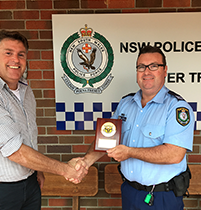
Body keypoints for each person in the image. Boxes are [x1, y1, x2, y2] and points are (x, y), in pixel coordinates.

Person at [0, 30, 87, 210]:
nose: (16, 60)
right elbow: (14, 150)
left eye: (21, 55)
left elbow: (27, 136)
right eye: (8, 53)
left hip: (28, 185)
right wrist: (66, 170)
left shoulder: (25, 91)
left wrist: (36, 170)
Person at [76, 45, 194, 210]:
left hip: (162, 197)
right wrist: (85, 162)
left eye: (153, 66)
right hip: (130, 192)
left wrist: (130, 152)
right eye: (141, 67)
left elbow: (174, 154)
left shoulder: (177, 108)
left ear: (165, 70)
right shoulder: (125, 104)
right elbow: (106, 138)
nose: (146, 72)